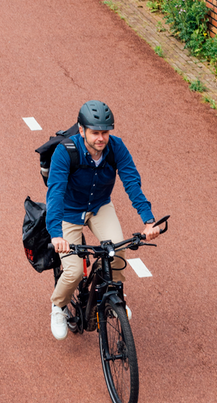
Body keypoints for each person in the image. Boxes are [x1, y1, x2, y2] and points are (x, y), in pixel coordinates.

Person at [47, 100, 160, 340]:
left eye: (105, 132)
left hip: (99, 206)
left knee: (116, 252)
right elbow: (55, 193)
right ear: (82, 130)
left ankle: (112, 297)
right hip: (69, 212)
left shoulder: (116, 147)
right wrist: (56, 234)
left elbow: (131, 182)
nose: (101, 138)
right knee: (74, 271)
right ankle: (58, 307)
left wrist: (148, 220)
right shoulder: (65, 152)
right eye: (95, 132)